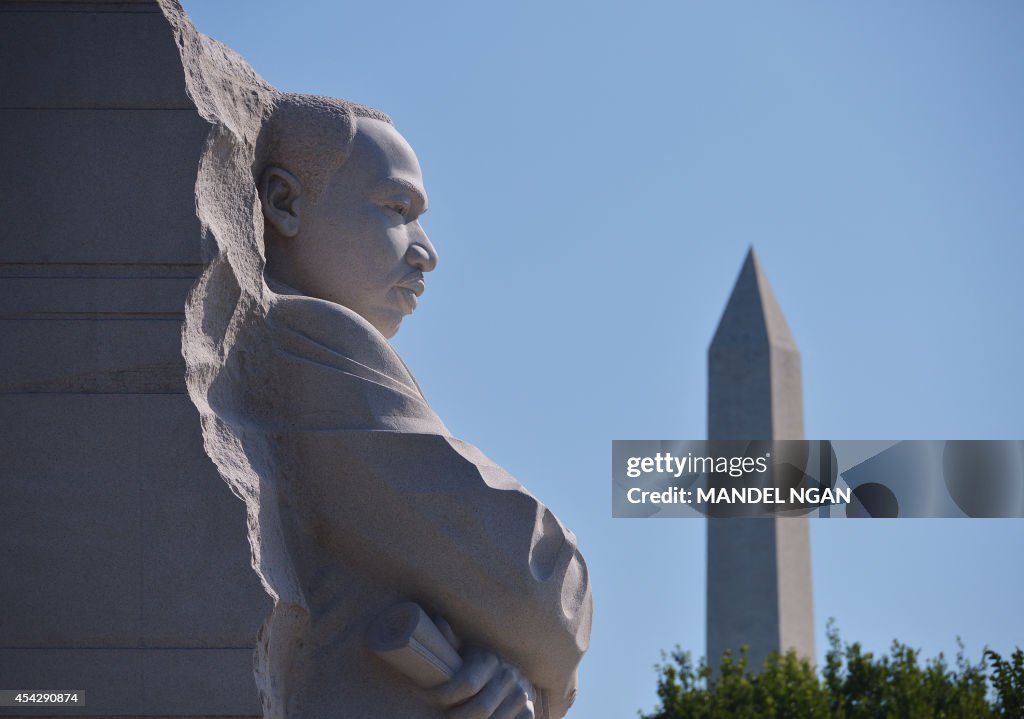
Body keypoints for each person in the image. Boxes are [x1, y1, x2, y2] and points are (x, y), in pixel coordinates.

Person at [202, 93, 592, 719]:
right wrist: (541, 658)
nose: (425, 251)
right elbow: (533, 591)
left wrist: (508, 668)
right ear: (284, 202)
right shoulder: (311, 334)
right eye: (397, 209)